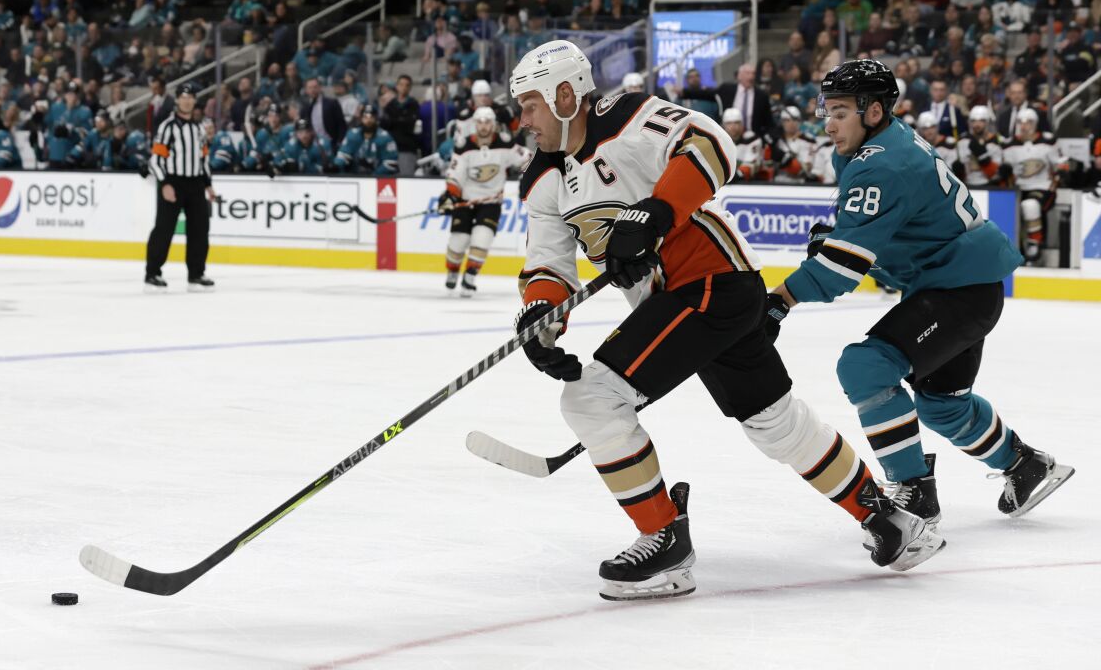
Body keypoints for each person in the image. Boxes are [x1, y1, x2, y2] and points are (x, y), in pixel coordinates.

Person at [509, 41, 939, 602]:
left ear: (566, 94)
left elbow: (712, 144)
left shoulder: (628, 118)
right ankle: (886, 518)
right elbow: (547, 263)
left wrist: (657, 212)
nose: (523, 120)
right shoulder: (543, 179)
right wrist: (542, 315)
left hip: (708, 282)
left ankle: (664, 541)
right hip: (703, 298)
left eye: (530, 105)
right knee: (773, 420)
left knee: (592, 401)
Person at [766, 60, 1073, 541]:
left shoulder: (880, 163)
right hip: (965, 282)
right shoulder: (880, 144)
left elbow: (843, 268)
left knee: (865, 367)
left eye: (840, 111)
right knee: (942, 406)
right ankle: (1026, 466)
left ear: (872, 111)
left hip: (957, 289)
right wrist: (841, 239)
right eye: (827, 109)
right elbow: (896, 227)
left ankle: (913, 492)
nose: (828, 123)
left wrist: (779, 300)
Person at [439, 107, 529, 296]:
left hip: (491, 202)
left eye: (487, 122)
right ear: (474, 124)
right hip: (465, 200)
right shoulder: (464, 146)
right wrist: (449, 195)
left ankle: (470, 277)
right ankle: (453, 271)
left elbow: (528, 159)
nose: (484, 126)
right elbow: (456, 175)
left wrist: (528, 178)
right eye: (480, 122)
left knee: (482, 237)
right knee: (458, 241)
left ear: (494, 124)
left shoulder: (506, 144)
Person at [145, 82, 215, 292]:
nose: (187, 101)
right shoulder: (167, 127)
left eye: (191, 97)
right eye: (183, 97)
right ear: (177, 100)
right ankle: (152, 273)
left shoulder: (199, 128)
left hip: (195, 184)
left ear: (194, 101)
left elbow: (203, 160)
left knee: (200, 229)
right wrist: (164, 183)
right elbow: (156, 160)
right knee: (164, 229)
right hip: (173, 182)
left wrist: (208, 185)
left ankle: (196, 273)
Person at [1001, 108, 1063, 262]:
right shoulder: (1009, 144)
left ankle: (1034, 243)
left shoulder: (1048, 141)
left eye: (1028, 122)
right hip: (1018, 189)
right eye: (1020, 122)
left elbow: (1061, 164)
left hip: (1043, 187)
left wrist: (1061, 174)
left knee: (1030, 205)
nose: (1024, 126)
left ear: (1035, 124)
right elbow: (1005, 172)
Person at [332, 104, 399, 175]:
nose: (368, 120)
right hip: (355, 176)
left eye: (371, 117)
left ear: (376, 119)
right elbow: (343, 155)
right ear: (361, 119)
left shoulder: (385, 137)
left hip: (379, 178)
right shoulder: (352, 135)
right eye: (365, 117)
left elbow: (391, 163)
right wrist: (336, 166)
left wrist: (373, 176)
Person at [953, 106, 1003, 186]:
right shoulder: (962, 141)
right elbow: (957, 175)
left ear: (987, 122)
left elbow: (996, 175)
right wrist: (958, 171)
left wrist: (983, 158)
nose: (977, 124)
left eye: (981, 121)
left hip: (989, 186)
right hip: (966, 186)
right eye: (973, 121)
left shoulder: (996, 142)